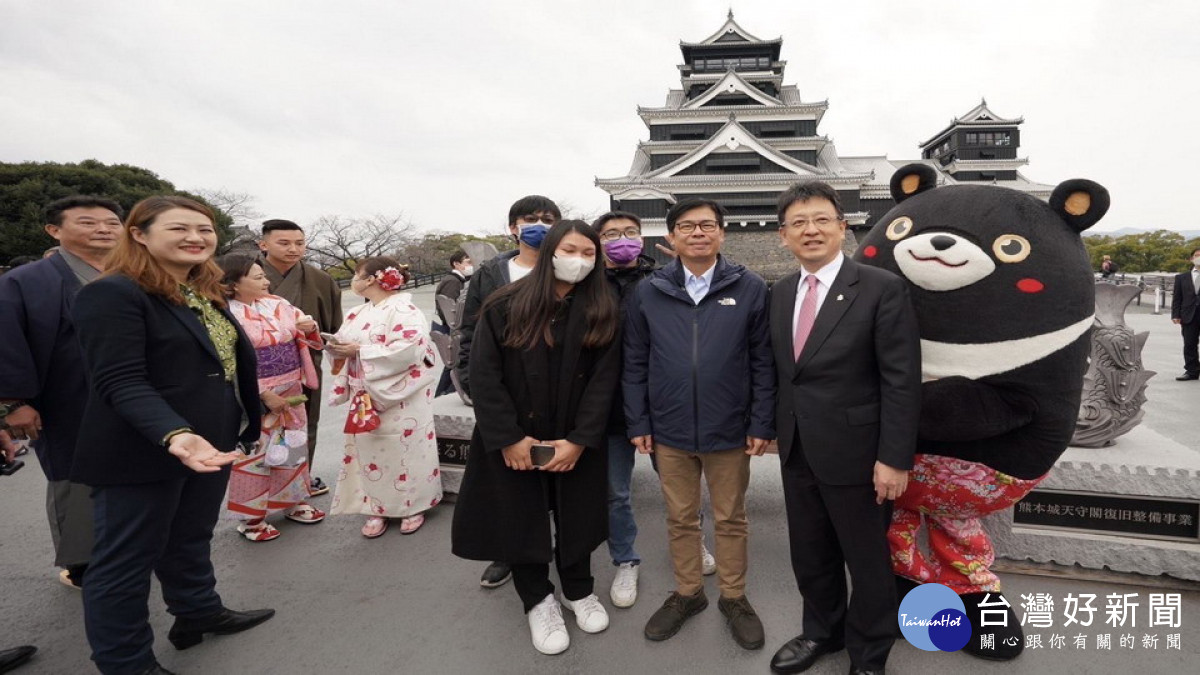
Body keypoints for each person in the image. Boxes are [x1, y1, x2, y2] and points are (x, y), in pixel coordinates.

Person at [72, 196, 273, 675]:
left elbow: (217, 367)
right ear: (139, 234)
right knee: (124, 563)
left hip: (210, 444)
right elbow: (120, 379)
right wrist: (175, 435)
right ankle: (126, 662)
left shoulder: (198, 289)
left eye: (205, 229)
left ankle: (197, 611)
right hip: (145, 448)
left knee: (189, 536)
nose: (196, 238)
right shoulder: (114, 293)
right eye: (179, 228)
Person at [766, 181, 920, 675]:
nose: (811, 230)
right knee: (810, 554)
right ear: (783, 236)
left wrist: (894, 458)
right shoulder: (781, 292)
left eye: (821, 219)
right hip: (797, 449)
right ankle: (821, 631)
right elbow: (782, 371)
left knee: (867, 560)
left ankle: (869, 652)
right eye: (798, 223)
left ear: (842, 227)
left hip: (859, 453)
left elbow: (902, 381)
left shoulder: (880, 288)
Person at [451, 220, 621, 655]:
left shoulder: (602, 307)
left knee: (578, 515)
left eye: (588, 253)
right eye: (570, 249)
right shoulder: (506, 303)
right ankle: (537, 598)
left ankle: (578, 589)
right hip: (516, 437)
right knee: (521, 517)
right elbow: (483, 376)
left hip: (574, 437)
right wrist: (508, 438)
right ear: (549, 253)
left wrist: (580, 440)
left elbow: (605, 381)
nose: (579, 260)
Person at [624, 198, 774, 650]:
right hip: (668, 428)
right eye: (686, 226)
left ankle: (733, 596)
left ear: (722, 233)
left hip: (728, 427)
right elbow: (634, 361)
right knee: (680, 517)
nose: (697, 233)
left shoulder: (749, 287)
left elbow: (764, 360)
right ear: (671, 237)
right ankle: (688, 593)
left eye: (707, 225)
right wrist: (638, 420)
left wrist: (761, 421)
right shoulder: (649, 290)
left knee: (731, 517)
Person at [0, 195, 123, 589]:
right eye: (88, 222)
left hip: (134, 392)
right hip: (67, 397)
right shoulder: (26, 281)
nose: (103, 229)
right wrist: (13, 402)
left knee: (137, 474)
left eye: (111, 222)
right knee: (74, 477)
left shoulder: (133, 274)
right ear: (54, 230)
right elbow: (6, 342)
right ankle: (83, 563)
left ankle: (133, 548)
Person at [455, 195, 561, 589]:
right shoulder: (492, 272)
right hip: (505, 390)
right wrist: (468, 379)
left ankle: (560, 546)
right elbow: (470, 328)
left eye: (548, 219)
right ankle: (509, 552)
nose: (539, 224)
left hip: (557, 392)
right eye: (530, 218)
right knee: (509, 477)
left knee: (556, 473)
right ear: (513, 227)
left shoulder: (569, 266)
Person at [325, 257, 443, 538]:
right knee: (370, 449)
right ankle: (376, 506)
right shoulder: (357, 313)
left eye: (356, 274)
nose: (354, 280)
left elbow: (411, 348)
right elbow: (342, 343)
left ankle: (412, 506)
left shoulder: (405, 309)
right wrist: (335, 347)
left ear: (371, 280)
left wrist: (360, 352)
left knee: (407, 447)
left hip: (403, 395)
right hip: (365, 391)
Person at [218, 256, 326, 541]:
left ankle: (292, 501)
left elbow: (309, 334)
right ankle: (251, 517)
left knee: (291, 444)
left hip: (290, 385)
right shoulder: (223, 313)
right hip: (251, 391)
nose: (266, 281)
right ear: (231, 285)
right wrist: (260, 393)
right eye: (257, 277)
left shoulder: (278, 304)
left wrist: (308, 328)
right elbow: (225, 361)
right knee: (255, 451)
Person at [590, 210, 656, 608]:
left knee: (679, 486)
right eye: (612, 234)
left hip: (661, 403)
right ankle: (626, 559)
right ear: (598, 242)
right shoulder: (583, 285)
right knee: (615, 492)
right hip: (608, 406)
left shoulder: (661, 280)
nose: (622, 239)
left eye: (631, 232)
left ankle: (693, 543)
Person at [257, 219, 342, 496]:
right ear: (263, 244)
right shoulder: (241, 276)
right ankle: (258, 485)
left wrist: (313, 332)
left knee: (303, 423)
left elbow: (331, 326)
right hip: (254, 371)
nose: (293, 249)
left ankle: (300, 478)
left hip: (303, 367)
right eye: (284, 243)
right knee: (255, 427)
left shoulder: (321, 280)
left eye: (299, 243)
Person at [433, 250, 473, 396]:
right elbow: (447, 309)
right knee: (453, 363)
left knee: (453, 363)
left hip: (451, 328)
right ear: (456, 264)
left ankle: (445, 392)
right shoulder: (453, 281)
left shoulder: (459, 280)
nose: (471, 265)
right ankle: (443, 393)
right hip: (450, 328)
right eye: (468, 262)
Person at [1172, 248, 1200, 381]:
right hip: (1189, 316)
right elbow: (1177, 298)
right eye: (1196, 255)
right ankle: (1192, 371)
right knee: (1189, 344)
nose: (1198, 257)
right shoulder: (1181, 277)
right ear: (1191, 259)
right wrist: (1175, 314)